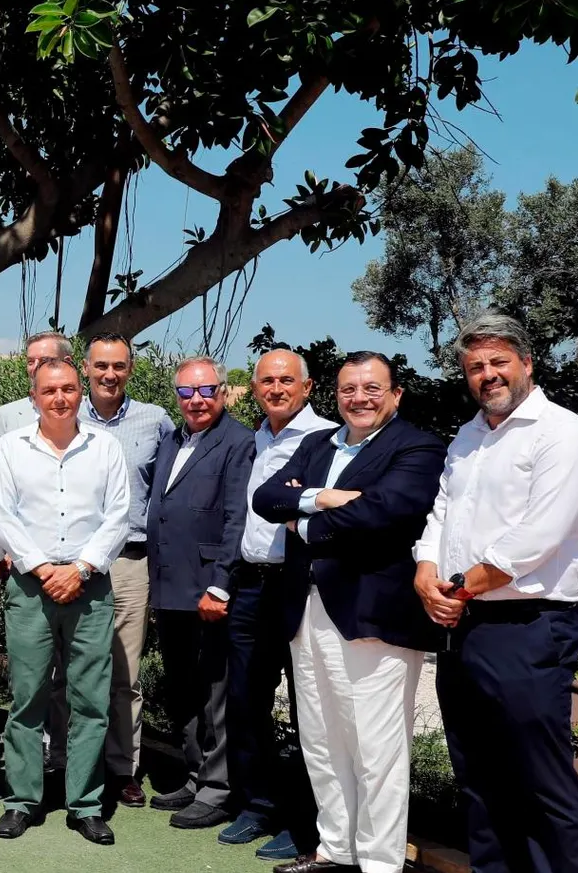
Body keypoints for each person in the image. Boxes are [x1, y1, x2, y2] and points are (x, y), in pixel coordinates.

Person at [416, 315, 578, 873]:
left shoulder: (563, 432)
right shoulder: (467, 436)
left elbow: (538, 537)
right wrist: (425, 570)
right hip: (461, 625)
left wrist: (458, 587)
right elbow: (441, 513)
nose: (488, 375)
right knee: (478, 775)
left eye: (498, 362)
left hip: (528, 628)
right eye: (476, 367)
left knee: (539, 780)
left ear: (526, 364)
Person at [252, 352, 445, 873]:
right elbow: (268, 498)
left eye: (371, 388)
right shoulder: (317, 443)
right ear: (333, 395)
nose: (358, 398)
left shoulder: (419, 446)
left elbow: (387, 511)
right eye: (348, 390)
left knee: (377, 749)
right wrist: (329, 497)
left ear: (396, 394)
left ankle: (380, 863)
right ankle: (335, 850)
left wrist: (307, 518)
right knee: (321, 738)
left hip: (371, 616)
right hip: (306, 609)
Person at [0, 356, 131, 846]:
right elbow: (2, 513)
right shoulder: (11, 447)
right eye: (49, 390)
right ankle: (22, 801)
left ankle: (85, 804)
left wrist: (83, 568)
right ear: (34, 396)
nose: (60, 398)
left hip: (90, 586)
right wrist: (44, 568)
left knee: (90, 700)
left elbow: (119, 515)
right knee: (26, 697)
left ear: (79, 391)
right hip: (32, 585)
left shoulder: (105, 447)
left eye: (68, 388)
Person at [49, 334, 174, 809]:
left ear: (131, 369)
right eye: (100, 365)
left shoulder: (156, 421)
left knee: (124, 673)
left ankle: (123, 767)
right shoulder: (64, 415)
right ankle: (62, 761)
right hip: (67, 566)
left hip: (128, 562)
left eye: (118, 366)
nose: (109, 374)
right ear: (84, 368)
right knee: (63, 670)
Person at [223, 349, 333, 861]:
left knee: (310, 707)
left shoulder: (328, 440)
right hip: (250, 585)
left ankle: (305, 820)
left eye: (287, 380)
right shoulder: (255, 438)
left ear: (307, 388)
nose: (276, 388)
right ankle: (259, 804)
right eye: (267, 380)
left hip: (299, 586)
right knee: (246, 701)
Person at [144, 357, 253, 829]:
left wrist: (220, 584)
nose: (196, 400)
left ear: (224, 393)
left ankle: (218, 788)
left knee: (214, 691)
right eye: (186, 393)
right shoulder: (171, 440)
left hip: (208, 588)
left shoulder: (239, 442)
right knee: (182, 689)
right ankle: (195, 773)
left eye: (206, 390)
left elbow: (236, 519)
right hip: (170, 587)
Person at [0, 332, 73, 437]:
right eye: (30, 362)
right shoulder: (8, 415)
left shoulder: (87, 412)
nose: (34, 368)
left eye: (44, 360)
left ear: (67, 362)